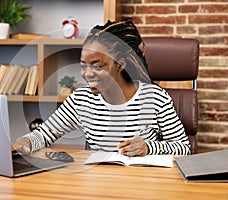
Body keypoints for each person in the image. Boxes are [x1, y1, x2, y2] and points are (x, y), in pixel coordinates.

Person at [12, 18, 191, 156]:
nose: (87, 73)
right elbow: (44, 134)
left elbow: (184, 148)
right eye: (83, 65)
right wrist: (24, 141)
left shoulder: (155, 98)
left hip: (143, 186)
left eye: (97, 66)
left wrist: (148, 147)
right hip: (99, 184)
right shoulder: (80, 100)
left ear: (120, 65)